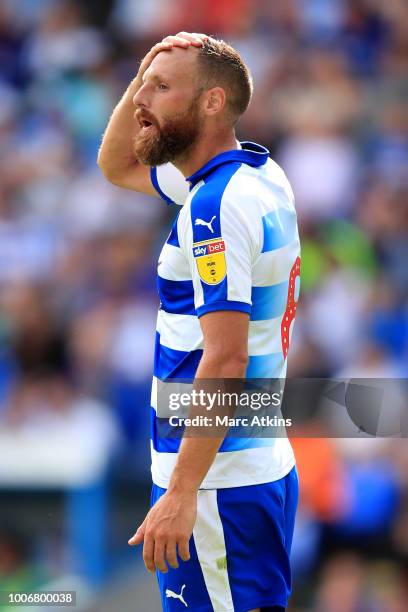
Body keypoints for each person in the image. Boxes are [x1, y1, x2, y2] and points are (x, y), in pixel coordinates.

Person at [98, 31, 300, 612]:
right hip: (248, 462)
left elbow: (226, 356)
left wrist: (183, 492)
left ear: (212, 102)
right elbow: (115, 164)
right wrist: (146, 73)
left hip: (217, 483)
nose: (142, 99)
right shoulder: (253, 176)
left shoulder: (215, 207)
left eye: (162, 89)